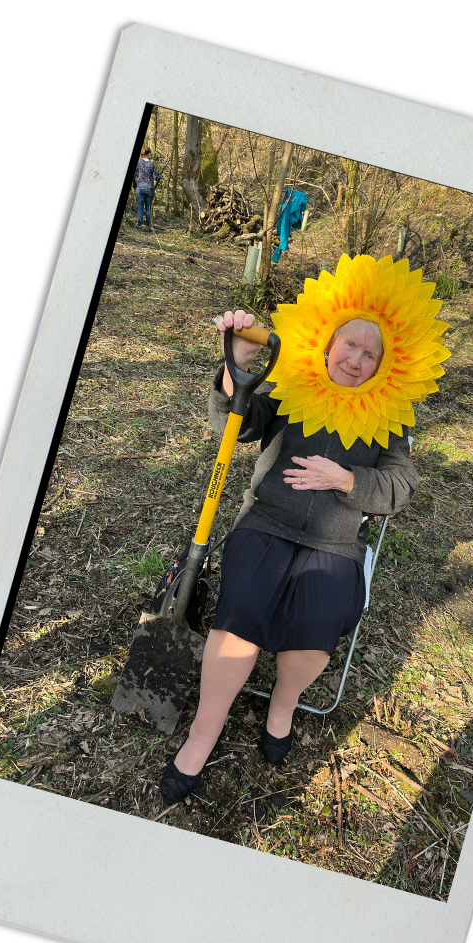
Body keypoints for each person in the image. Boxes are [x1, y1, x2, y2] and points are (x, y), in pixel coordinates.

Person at [160, 308, 419, 803]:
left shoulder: (391, 414)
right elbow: (235, 423)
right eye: (350, 345)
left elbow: (401, 486)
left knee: (318, 626)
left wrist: (346, 480)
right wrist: (235, 368)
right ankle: (202, 734)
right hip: (266, 522)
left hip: (337, 542)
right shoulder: (292, 385)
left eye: (371, 354)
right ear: (327, 345)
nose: (357, 359)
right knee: (241, 616)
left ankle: (282, 705)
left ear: (382, 366)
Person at [133, 146, 162, 231]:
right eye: (150, 154)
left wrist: (134, 185)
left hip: (140, 187)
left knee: (140, 206)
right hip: (149, 188)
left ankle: (139, 225)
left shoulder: (138, 162)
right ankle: (148, 226)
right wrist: (160, 176)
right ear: (148, 154)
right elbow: (155, 178)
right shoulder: (151, 164)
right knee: (148, 207)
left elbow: (134, 176)